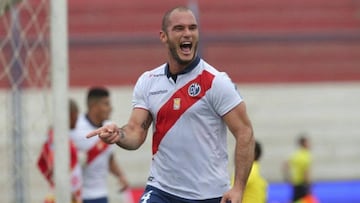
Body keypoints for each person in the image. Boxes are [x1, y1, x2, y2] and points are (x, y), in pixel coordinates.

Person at [86, 6, 255, 203]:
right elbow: (135, 131)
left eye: (192, 28)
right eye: (179, 28)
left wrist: (238, 187)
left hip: (208, 195)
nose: (187, 34)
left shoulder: (216, 82)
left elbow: (245, 132)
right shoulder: (149, 81)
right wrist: (119, 135)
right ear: (163, 36)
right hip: (161, 190)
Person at [71, 87, 129, 203]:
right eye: (106, 104)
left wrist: (120, 176)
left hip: (100, 195)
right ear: (94, 106)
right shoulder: (75, 127)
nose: (110, 108)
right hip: (77, 196)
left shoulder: (110, 127)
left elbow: (109, 158)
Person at [37, 99, 82, 203]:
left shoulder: (62, 136)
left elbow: (41, 163)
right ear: (71, 115)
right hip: (64, 195)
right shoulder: (57, 138)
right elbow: (52, 163)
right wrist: (66, 189)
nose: (77, 120)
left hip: (68, 192)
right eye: (77, 116)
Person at [283, 134, 312, 202]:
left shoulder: (295, 155)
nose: (309, 144)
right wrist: (308, 184)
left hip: (295, 183)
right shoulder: (306, 155)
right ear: (304, 143)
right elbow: (306, 172)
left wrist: (288, 178)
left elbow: (285, 166)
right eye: (308, 142)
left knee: (296, 199)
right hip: (303, 184)